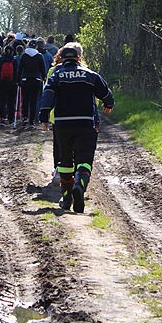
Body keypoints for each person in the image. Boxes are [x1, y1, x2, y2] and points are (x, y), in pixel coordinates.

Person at [39, 43, 114, 213]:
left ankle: (67, 199)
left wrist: (44, 115)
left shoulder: (56, 75)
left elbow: (47, 95)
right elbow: (105, 93)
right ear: (79, 59)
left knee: (65, 161)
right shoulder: (90, 75)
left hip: (62, 124)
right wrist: (109, 104)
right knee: (85, 160)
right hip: (86, 123)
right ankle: (79, 185)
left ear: (62, 59)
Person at [17, 39, 46, 128]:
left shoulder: (24, 55)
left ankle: (25, 117)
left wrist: (18, 80)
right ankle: (32, 121)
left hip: (25, 80)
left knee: (25, 99)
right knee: (33, 101)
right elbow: (43, 69)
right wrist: (43, 78)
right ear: (36, 46)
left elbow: (20, 69)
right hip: (36, 80)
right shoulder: (39, 56)